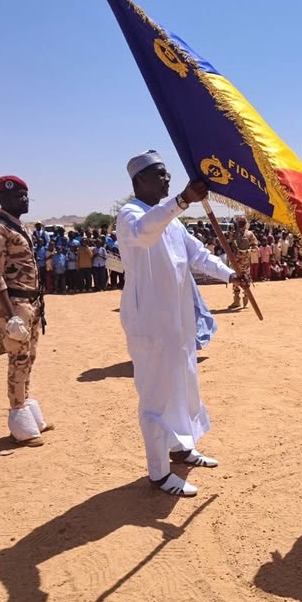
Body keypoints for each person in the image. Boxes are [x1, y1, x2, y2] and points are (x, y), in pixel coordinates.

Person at [117, 150, 247, 497]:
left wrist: (230, 274)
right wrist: (181, 200)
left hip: (178, 323)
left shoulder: (172, 220)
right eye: (159, 174)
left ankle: (181, 449)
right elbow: (145, 233)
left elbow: (199, 256)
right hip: (151, 324)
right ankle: (159, 474)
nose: (167, 179)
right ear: (139, 181)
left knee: (183, 385)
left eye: (167, 174)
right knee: (157, 396)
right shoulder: (131, 215)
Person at [0, 176, 52, 446]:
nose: (25, 200)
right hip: (13, 303)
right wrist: (10, 315)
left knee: (29, 357)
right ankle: (18, 416)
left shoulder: (19, 226)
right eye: (19, 196)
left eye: (26, 195)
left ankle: (27, 408)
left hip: (30, 302)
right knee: (18, 358)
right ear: (3, 198)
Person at [229, 216, 257, 309]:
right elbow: (229, 245)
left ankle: (246, 299)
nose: (239, 224)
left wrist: (247, 251)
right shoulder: (233, 234)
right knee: (235, 280)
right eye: (238, 222)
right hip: (235, 261)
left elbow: (255, 248)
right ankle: (236, 300)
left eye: (241, 222)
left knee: (246, 280)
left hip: (245, 262)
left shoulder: (249, 234)